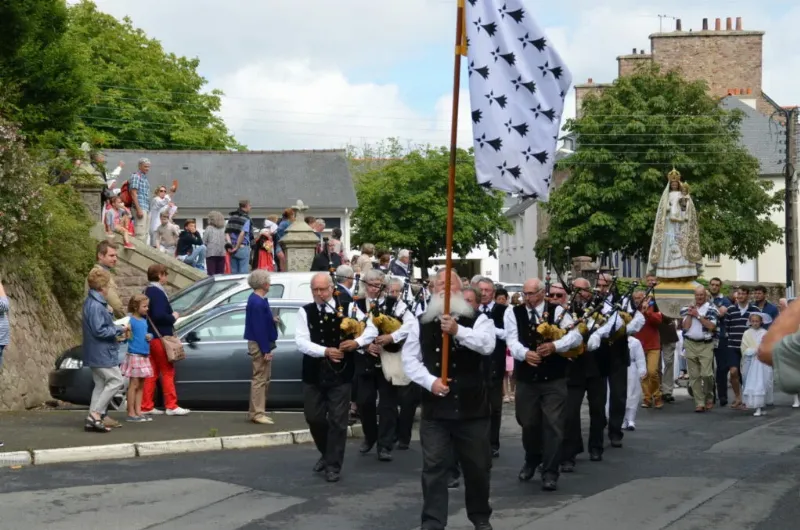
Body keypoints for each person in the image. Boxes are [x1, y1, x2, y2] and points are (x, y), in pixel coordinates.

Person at [402, 269, 495, 530]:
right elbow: (410, 360)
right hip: (436, 409)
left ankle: (480, 516)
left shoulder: (479, 319)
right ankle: (432, 522)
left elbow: (487, 345)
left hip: (472, 408)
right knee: (433, 468)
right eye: (438, 284)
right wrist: (430, 381)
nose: (443, 288)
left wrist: (457, 331)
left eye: (449, 284)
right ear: (432, 290)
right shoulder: (418, 322)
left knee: (477, 468)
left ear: (460, 287)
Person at [295, 272, 378, 483]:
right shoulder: (305, 312)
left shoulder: (348, 308)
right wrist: (325, 351)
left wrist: (357, 343)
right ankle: (326, 452)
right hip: (313, 373)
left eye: (323, 289)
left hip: (341, 374)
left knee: (338, 422)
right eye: (315, 289)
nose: (319, 293)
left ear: (332, 289)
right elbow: (301, 342)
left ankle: (333, 465)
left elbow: (371, 328)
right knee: (313, 417)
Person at [505, 278, 581, 491]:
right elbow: (511, 340)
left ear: (541, 292)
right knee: (527, 422)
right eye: (524, 293)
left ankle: (550, 471)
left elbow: (575, 337)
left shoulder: (557, 311)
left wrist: (555, 346)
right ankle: (532, 457)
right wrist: (524, 354)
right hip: (527, 378)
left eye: (530, 293)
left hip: (554, 378)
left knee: (554, 424)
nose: (527, 298)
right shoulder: (514, 312)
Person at [142, 264, 190, 416]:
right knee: (168, 371)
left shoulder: (147, 291)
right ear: (160, 275)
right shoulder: (158, 293)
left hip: (150, 336)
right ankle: (171, 405)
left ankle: (146, 405)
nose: (166, 277)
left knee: (152, 372)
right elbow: (159, 315)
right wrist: (173, 317)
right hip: (161, 337)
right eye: (165, 274)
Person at [82, 267, 126, 433]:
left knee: (100, 384)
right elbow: (100, 330)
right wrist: (119, 329)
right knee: (116, 381)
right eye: (108, 286)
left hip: (95, 351)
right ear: (102, 288)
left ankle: (91, 418)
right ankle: (95, 414)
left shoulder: (93, 303)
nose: (110, 288)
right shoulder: (96, 306)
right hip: (101, 352)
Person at [646, 168, 702, 278]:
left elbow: (687, 209)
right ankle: (667, 270)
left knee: (682, 243)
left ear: (679, 184)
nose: (674, 185)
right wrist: (668, 208)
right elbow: (662, 210)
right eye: (672, 184)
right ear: (670, 184)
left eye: (676, 183)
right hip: (669, 224)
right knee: (669, 243)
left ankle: (684, 270)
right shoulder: (666, 196)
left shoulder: (684, 195)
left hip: (681, 225)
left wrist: (684, 204)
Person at [475, 277, 507, 459]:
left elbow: (509, 334)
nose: (485, 293)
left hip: (495, 364)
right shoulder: (471, 310)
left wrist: (491, 329)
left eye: (488, 290)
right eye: (482, 290)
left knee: (494, 407)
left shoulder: (503, 311)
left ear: (493, 293)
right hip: (476, 365)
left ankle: (493, 443)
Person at [244, 270, 279, 425]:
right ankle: (257, 413)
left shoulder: (257, 299)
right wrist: (265, 350)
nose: (269, 284)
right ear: (264, 284)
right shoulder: (257, 302)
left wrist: (271, 319)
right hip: (260, 344)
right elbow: (259, 329)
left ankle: (258, 411)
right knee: (260, 379)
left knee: (263, 378)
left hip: (260, 342)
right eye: (268, 281)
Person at [680, 286, 719, 413]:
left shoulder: (712, 309)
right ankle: (699, 402)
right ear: (694, 296)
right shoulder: (687, 308)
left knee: (707, 374)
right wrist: (691, 314)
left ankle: (709, 396)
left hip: (705, 344)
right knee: (694, 376)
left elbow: (711, 326)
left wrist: (698, 316)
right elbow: (685, 327)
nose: (699, 297)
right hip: (690, 343)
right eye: (697, 295)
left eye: (701, 295)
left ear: (706, 296)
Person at [122, 294, 155, 422]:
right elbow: (128, 337)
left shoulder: (144, 320)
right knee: (134, 384)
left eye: (148, 306)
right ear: (136, 307)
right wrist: (127, 332)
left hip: (144, 354)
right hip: (135, 354)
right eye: (144, 306)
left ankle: (138, 411)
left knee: (141, 384)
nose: (147, 309)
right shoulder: (132, 321)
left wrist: (150, 336)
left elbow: (147, 334)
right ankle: (131, 412)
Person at [740, 312, 773, 416]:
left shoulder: (764, 332)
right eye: (753, 321)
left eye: (757, 321)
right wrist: (753, 350)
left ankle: (761, 405)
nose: (755, 323)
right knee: (754, 382)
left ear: (761, 322)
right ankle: (756, 406)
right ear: (750, 322)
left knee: (763, 382)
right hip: (751, 362)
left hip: (762, 362)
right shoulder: (747, 333)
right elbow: (744, 348)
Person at [622, 336, 647, 431]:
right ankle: (622, 419)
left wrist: (642, 370)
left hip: (631, 369)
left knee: (632, 395)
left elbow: (640, 358)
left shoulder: (635, 342)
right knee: (620, 395)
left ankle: (631, 419)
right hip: (619, 369)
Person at [226, 199, 255, 274]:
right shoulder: (246, 219)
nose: (250, 207)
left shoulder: (231, 217)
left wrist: (230, 245)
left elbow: (227, 232)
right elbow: (242, 234)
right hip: (242, 247)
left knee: (234, 273)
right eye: (249, 206)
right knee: (243, 273)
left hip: (232, 248)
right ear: (246, 206)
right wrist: (236, 247)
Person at [203, 211, 228, 275]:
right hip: (222, 253)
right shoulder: (224, 228)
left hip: (211, 253)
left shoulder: (209, 228)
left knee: (211, 275)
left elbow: (204, 241)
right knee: (220, 274)